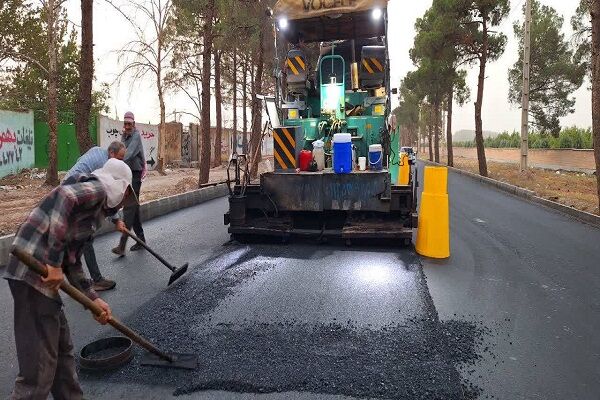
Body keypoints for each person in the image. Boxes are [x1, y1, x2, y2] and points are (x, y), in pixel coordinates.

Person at [5, 158, 137, 400]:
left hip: (44, 281)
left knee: (62, 355)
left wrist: (93, 300)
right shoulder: (97, 189)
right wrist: (54, 263)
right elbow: (65, 197)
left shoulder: (93, 212)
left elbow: (73, 263)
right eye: (126, 192)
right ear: (119, 186)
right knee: (39, 369)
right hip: (31, 273)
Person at [63, 141, 127, 291]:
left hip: (69, 186)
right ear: (111, 154)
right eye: (120, 158)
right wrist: (117, 219)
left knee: (79, 239)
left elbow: (80, 162)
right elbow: (107, 196)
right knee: (86, 237)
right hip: (73, 193)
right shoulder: (105, 165)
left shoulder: (97, 150)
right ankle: (94, 280)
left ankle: (75, 281)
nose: (121, 161)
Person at [112, 111, 147, 256]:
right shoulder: (124, 136)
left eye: (129, 124)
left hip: (135, 174)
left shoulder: (136, 136)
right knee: (134, 208)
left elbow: (128, 154)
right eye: (125, 123)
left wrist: (112, 162)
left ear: (133, 123)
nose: (127, 126)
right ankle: (141, 239)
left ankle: (122, 244)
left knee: (129, 207)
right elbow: (120, 150)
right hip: (127, 174)